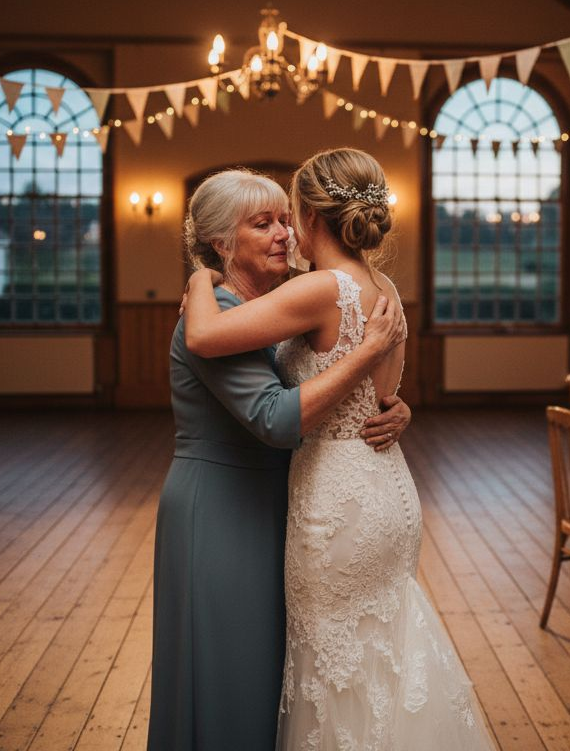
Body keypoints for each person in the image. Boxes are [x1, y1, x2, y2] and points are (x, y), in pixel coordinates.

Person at [184, 149, 495, 749]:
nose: (283, 230)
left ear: (308, 216)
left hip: (336, 502)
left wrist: (201, 274)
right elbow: (383, 399)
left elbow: (203, 334)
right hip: (388, 489)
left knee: (332, 657)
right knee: (387, 647)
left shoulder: (323, 289)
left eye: (288, 214)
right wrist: (400, 409)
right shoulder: (384, 288)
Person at [149, 169, 413, 751]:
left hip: (281, 503)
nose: (283, 234)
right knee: (227, 677)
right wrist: (368, 352)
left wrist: (395, 407)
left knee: (279, 674)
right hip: (219, 508)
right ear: (221, 243)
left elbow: (330, 368)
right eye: (261, 223)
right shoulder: (214, 309)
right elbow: (274, 419)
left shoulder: (273, 302)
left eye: (285, 219)